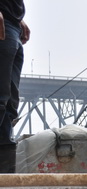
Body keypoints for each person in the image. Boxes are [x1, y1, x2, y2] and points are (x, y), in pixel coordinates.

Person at [0, 0, 30, 173]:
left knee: (9, 106)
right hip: (5, 24)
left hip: (13, 24)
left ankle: (5, 181)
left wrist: (17, 18)